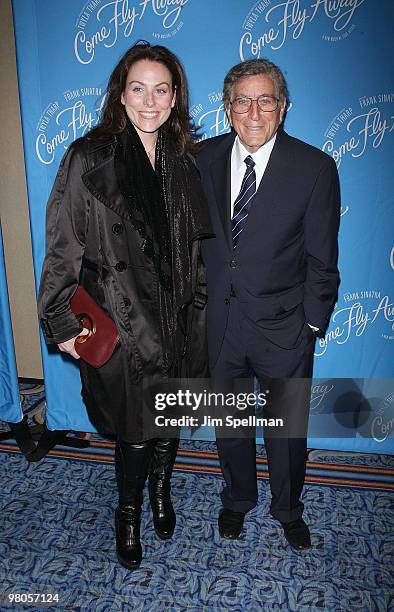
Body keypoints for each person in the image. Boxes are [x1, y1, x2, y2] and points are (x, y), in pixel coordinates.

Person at [38, 41, 212, 570]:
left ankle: (163, 490)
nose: (150, 101)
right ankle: (129, 510)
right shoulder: (88, 157)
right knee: (136, 431)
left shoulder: (183, 159)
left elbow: (196, 249)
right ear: (120, 93)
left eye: (161, 89)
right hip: (124, 320)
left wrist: (201, 305)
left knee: (171, 419)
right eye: (139, 88)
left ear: (175, 96)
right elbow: (62, 247)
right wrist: (62, 317)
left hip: (181, 316)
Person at [196, 59, 340, 549]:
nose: (253, 112)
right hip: (220, 326)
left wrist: (311, 325)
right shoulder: (200, 159)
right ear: (227, 107)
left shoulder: (314, 168)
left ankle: (288, 508)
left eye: (265, 100)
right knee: (230, 425)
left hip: (284, 328)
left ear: (283, 107)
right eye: (242, 100)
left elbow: (323, 258)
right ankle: (237, 499)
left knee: (285, 432)